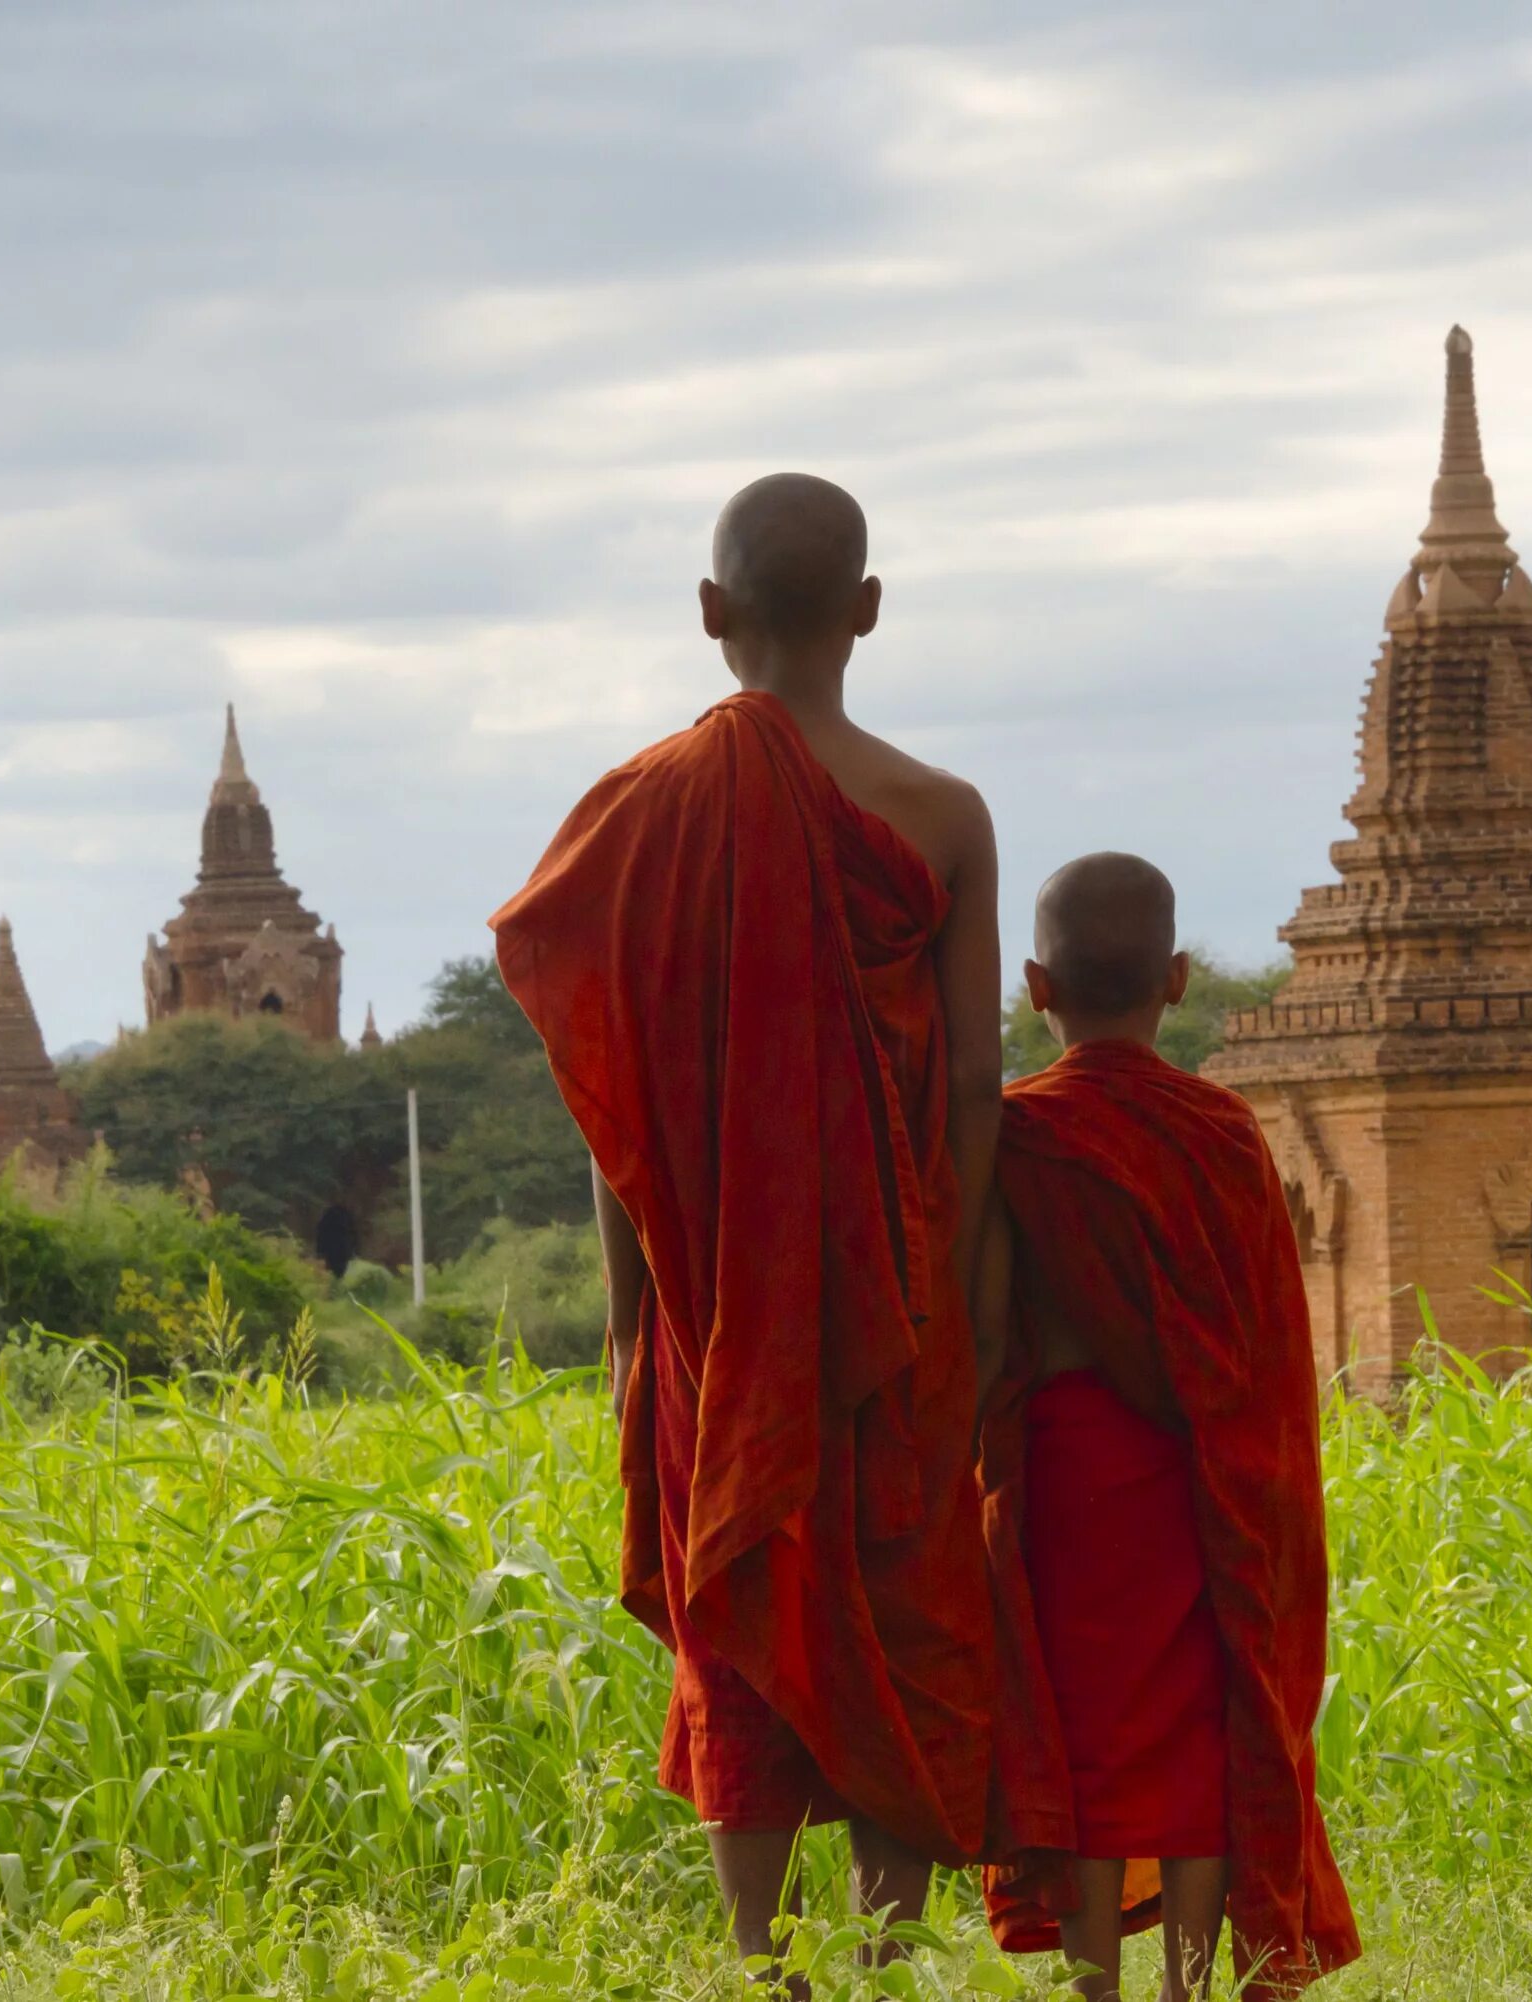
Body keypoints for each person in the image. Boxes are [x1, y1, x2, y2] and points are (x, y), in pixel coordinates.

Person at [491, 473, 1005, 1963]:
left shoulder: (642, 811)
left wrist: (632, 1311)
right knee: (899, 1609)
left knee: (742, 1609)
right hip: (895, 1294)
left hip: (714, 1303)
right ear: (868, 610)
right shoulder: (944, 814)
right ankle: (884, 1965)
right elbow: (977, 1078)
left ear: (711, 616)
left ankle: (762, 1964)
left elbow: (617, 1102)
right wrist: (953, 1282)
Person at [976, 853, 1358, 2000]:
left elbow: (987, 1333)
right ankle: (1190, 1986)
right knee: (1202, 1726)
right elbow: (1266, 1351)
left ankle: (1098, 1989)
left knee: (1090, 1735)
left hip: (1065, 1483)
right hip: (1205, 1482)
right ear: (1181, 978)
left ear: (1035, 986)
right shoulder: (1224, 1131)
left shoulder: (1014, 1134)